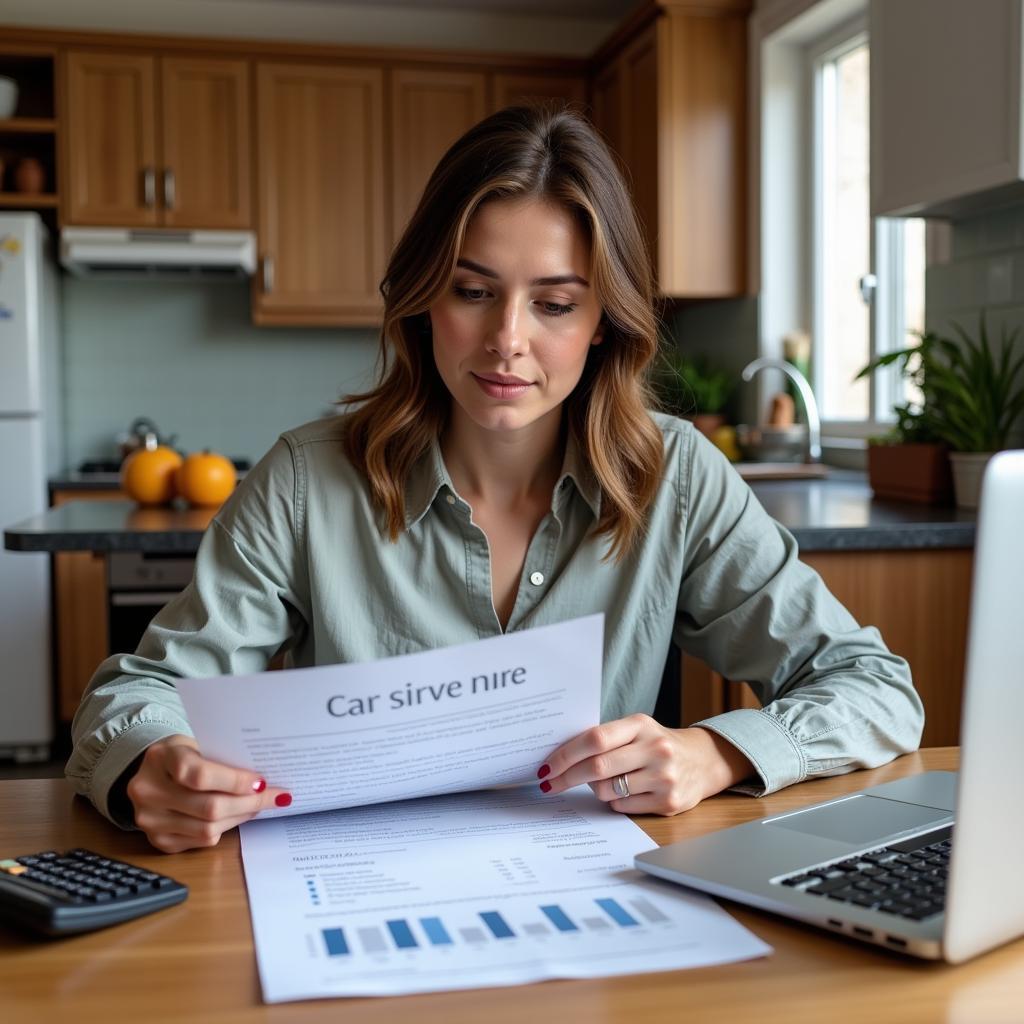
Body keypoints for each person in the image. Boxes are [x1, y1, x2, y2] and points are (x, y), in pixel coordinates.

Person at [67, 105, 924, 853]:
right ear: (423, 300)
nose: (506, 339)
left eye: (554, 304)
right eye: (473, 291)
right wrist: (152, 763)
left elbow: (874, 687)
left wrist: (720, 751)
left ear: (601, 324)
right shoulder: (304, 480)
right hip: (356, 892)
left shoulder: (679, 476)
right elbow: (137, 693)